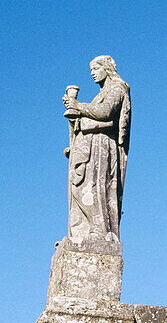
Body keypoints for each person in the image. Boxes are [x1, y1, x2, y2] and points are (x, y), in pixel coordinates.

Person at [62, 55, 131, 245]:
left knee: (93, 187)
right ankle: (81, 235)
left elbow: (106, 112)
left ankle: (99, 231)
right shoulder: (100, 94)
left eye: (95, 69)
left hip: (101, 147)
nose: (92, 73)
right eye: (90, 70)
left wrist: (79, 106)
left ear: (106, 68)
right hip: (88, 147)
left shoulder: (118, 87)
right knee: (79, 188)